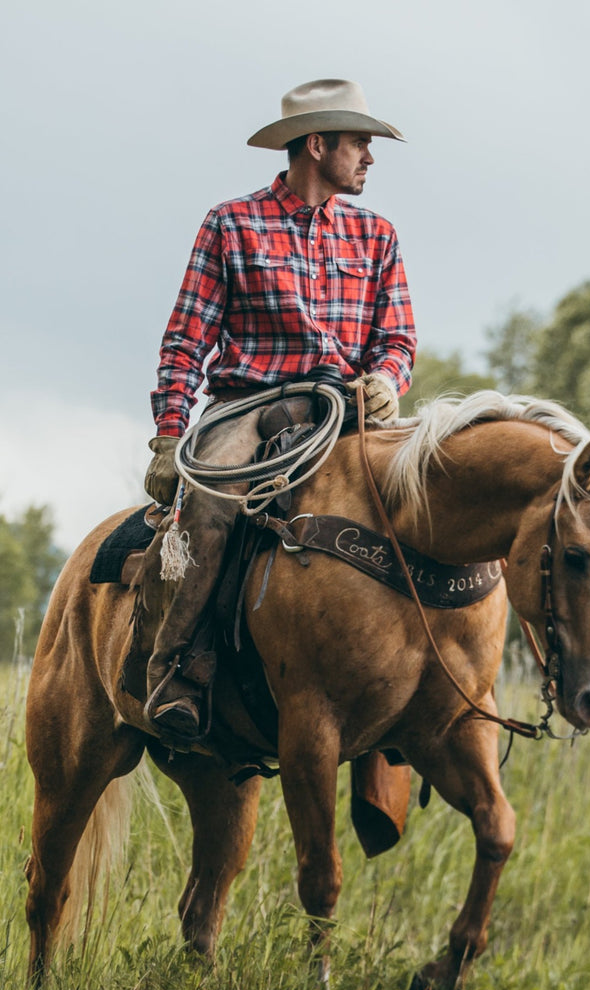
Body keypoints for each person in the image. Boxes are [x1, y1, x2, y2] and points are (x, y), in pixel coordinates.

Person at [141, 79, 417, 741]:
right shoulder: (230, 224)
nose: (370, 158)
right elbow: (188, 337)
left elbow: (397, 338)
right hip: (250, 404)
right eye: (360, 144)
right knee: (210, 509)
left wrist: (386, 377)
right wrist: (170, 433)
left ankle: (415, 692)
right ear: (317, 145)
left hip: (347, 410)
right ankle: (178, 674)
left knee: (424, 498)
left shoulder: (377, 235)